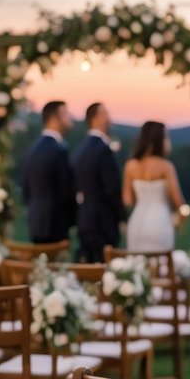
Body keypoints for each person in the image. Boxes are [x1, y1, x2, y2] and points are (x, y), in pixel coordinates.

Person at [72, 102, 124, 262]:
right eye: (106, 114)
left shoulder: (80, 150)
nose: (109, 118)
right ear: (96, 118)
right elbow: (112, 189)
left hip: (84, 220)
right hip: (103, 222)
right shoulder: (103, 150)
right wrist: (122, 217)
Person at [122, 121, 186, 252]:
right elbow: (178, 200)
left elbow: (127, 200)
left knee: (138, 267)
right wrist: (181, 218)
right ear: (159, 140)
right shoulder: (166, 166)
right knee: (160, 267)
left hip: (137, 222)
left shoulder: (130, 166)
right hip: (159, 222)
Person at [21, 100, 76, 243]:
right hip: (56, 224)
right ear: (53, 118)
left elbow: (26, 191)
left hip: (35, 223)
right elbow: (66, 191)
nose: (70, 118)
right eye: (65, 114)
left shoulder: (32, 149)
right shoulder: (59, 150)